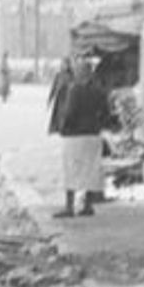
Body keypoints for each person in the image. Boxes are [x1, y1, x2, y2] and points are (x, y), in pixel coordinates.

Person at [49, 51, 115, 217]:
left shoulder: (74, 90)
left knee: (71, 170)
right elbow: (106, 113)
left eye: (77, 71)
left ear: (80, 73)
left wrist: (64, 127)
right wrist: (98, 125)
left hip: (74, 135)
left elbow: (70, 113)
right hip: (93, 134)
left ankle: (69, 206)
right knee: (91, 169)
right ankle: (88, 205)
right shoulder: (99, 91)